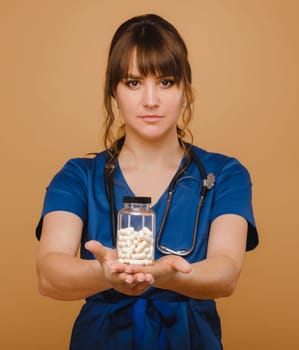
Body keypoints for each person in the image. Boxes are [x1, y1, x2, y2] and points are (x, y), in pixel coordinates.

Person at [34, 14, 258, 350]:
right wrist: (105, 276)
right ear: (114, 90)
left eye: (166, 82)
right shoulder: (78, 176)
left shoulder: (224, 174)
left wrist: (168, 274)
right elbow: (49, 274)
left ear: (186, 90)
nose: (150, 100)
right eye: (133, 82)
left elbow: (226, 274)